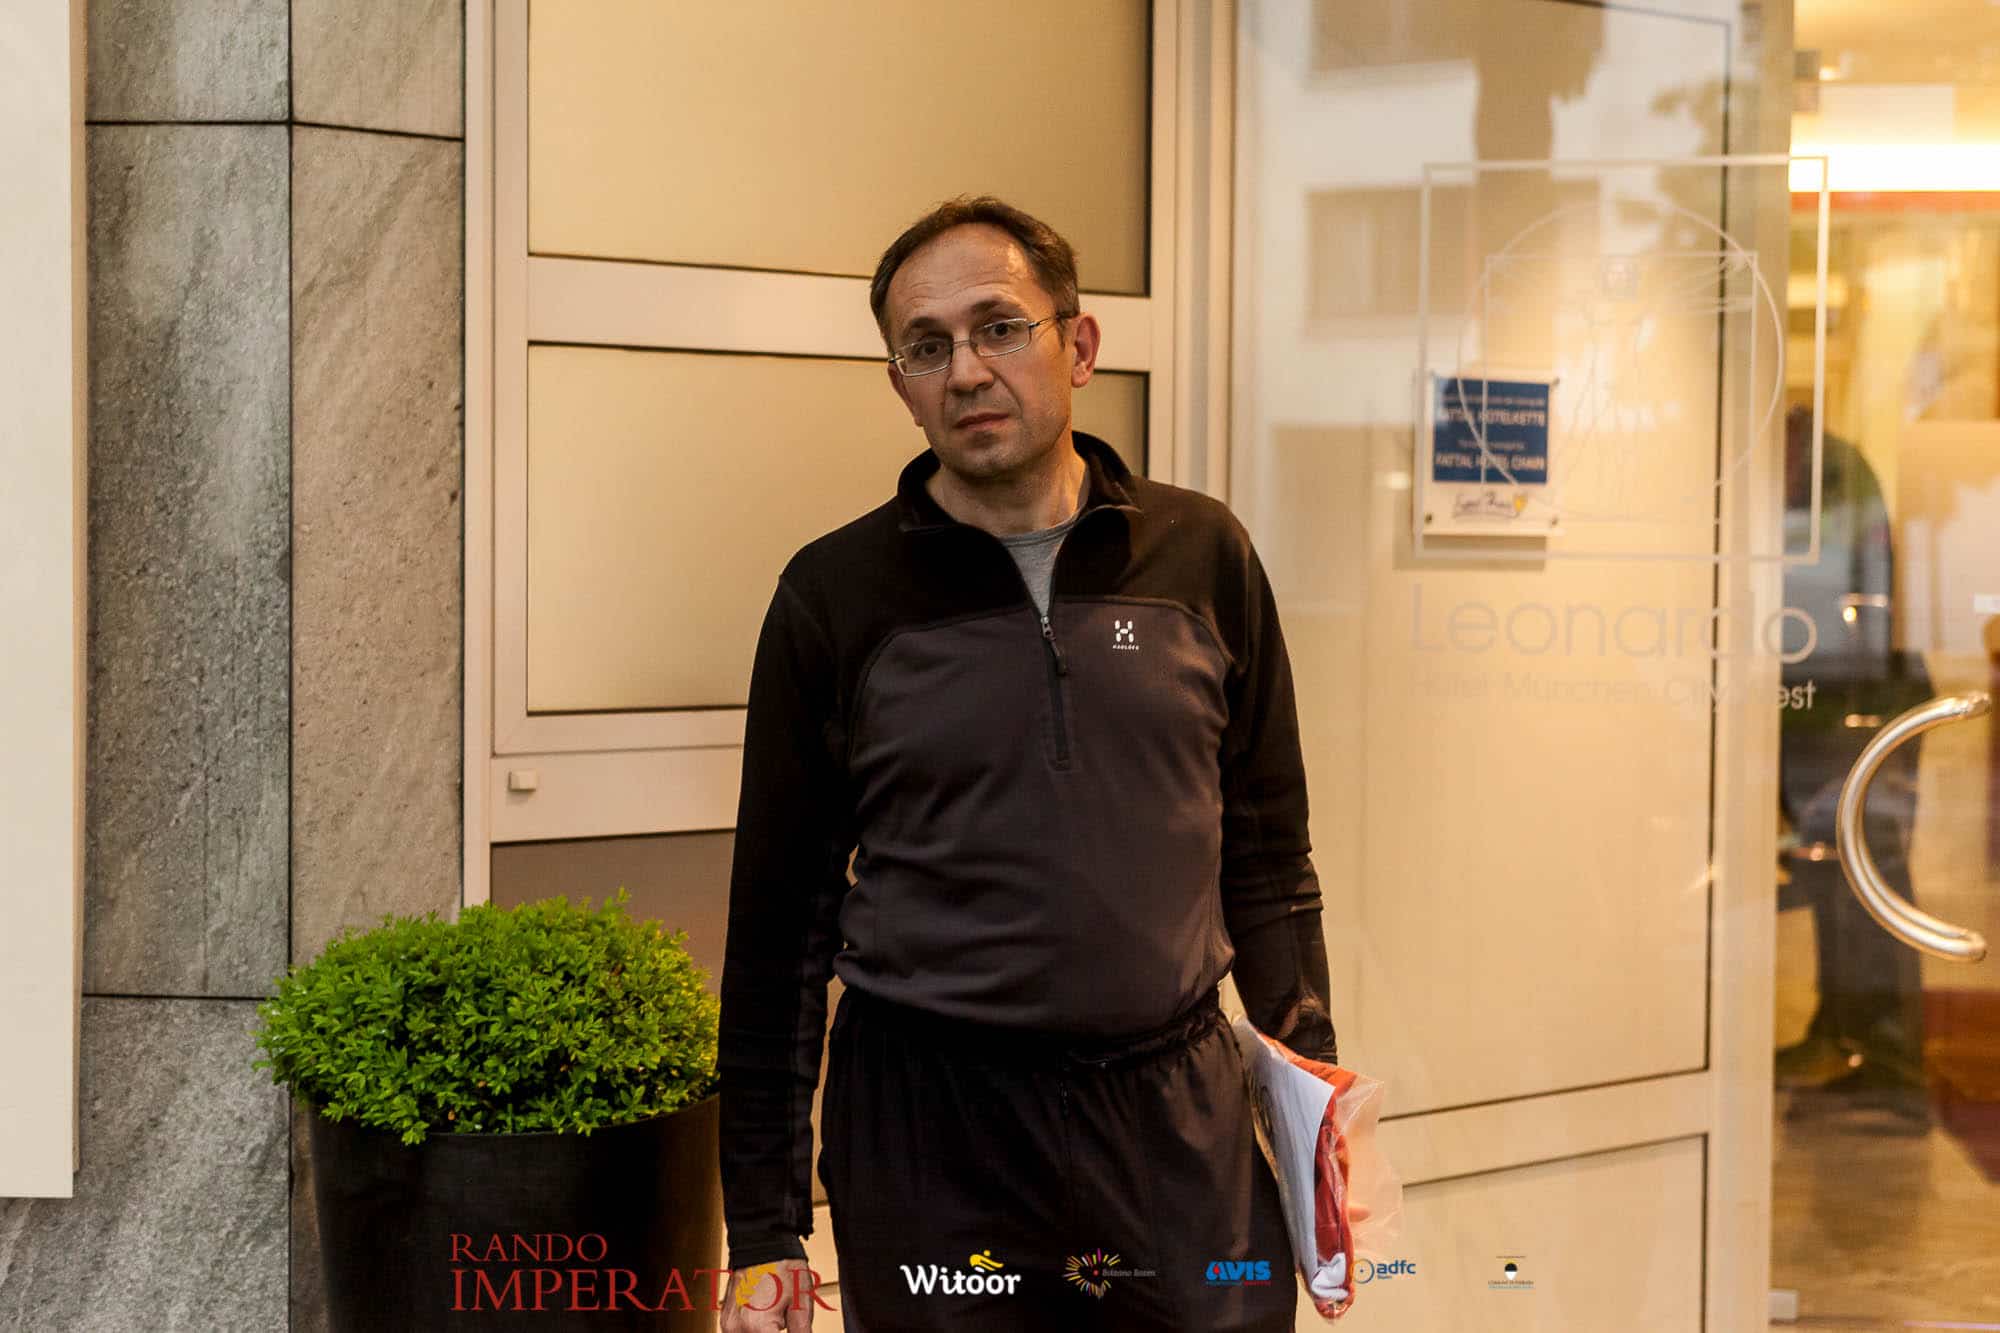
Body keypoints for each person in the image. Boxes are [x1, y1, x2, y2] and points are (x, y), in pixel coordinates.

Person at [715, 195, 1336, 1332]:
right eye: (926, 346)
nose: (965, 370)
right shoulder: (834, 598)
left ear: (1078, 346)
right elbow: (778, 928)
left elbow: (1265, 855)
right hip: (933, 1143)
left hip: (1175, 1129)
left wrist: (1314, 1119)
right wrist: (764, 1226)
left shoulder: (1201, 556)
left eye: (999, 327)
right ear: (901, 384)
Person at [1775, 406, 1931, 1131]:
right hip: (1820, 707)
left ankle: (1891, 1065)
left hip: (1855, 706)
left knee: (1870, 881)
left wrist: (1857, 711)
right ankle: (1843, 1035)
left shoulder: (1836, 476)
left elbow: (1862, 597)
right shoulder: (1813, 470)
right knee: (1831, 877)